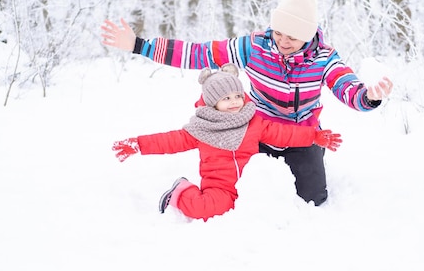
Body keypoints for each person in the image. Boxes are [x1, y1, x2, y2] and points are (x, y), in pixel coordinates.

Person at [102, 0, 393, 206]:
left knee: (312, 199)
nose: (282, 41)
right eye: (278, 32)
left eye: (292, 36)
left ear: (309, 34)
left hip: (301, 136)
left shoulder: (324, 58)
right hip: (255, 133)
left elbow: (345, 84)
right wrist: (140, 45)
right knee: (244, 200)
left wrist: (367, 97)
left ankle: (308, 163)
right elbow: (199, 53)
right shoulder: (254, 46)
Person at [111, 64, 342, 221]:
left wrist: (313, 136)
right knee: (205, 209)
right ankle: (179, 192)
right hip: (220, 187)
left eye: (237, 96)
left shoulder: (253, 122)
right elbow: (170, 141)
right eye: (226, 99)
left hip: (252, 185)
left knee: (269, 212)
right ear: (213, 103)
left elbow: (283, 134)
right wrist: (139, 145)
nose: (234, 102)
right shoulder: (201, 129)